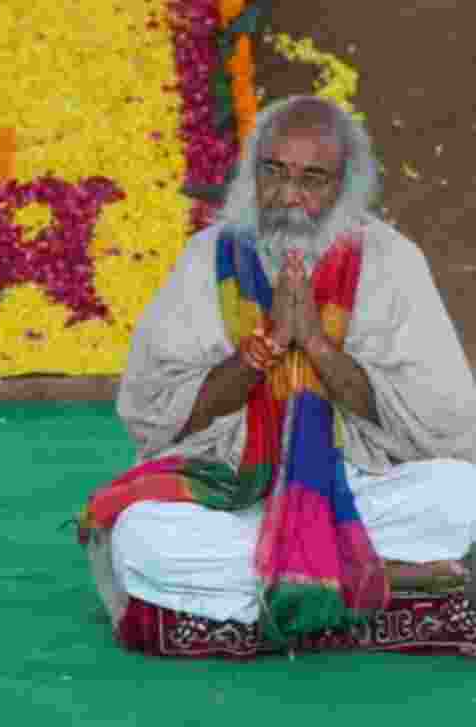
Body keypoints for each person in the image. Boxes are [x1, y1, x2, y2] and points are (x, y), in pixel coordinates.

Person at [81, 96, 476, 643]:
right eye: (273, 172)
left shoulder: (392, 261)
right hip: (237, 491)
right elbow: (155, 410)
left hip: (356, 491)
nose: (288, 195)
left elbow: (442, 415)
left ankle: (279, 588)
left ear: (346, 189)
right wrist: (253, 359)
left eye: (312, 179)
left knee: (461, 493)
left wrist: (316, 344)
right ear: (251, 172)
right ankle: (373, 579)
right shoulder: (208, 258)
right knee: (140, 538)